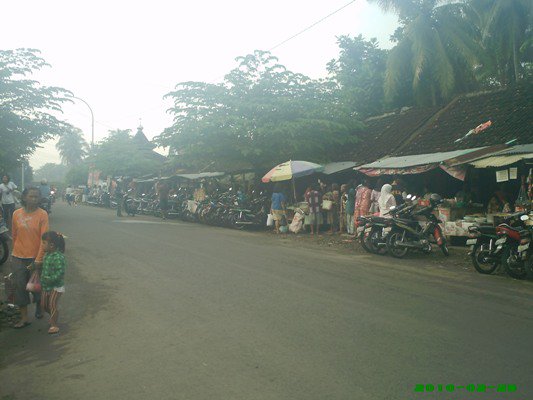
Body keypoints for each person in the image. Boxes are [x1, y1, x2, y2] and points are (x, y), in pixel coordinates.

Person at [11, 187, 49, 328]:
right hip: (18, 257)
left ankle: (39, 304)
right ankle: (24, 318)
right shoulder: (16, 214)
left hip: (35, 258)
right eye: (31, 196)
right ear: (24, 197)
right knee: (20, 287)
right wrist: (14, 254)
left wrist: (39, 259)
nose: (34, 199)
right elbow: (14, 235)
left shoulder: (42, 214)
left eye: (37, 197)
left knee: (35, 287)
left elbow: (44, 239)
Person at [39, 231, 66, 334]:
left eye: (43, 243)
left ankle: (54, 325)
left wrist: (50, 279)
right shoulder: (47, 255)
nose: (42, 245)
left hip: (56, 286)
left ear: (51, 245)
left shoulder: (58, 257)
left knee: (52, 304)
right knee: (43, 305)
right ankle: (53, 316)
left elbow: (60, 273)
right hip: (46, 285)